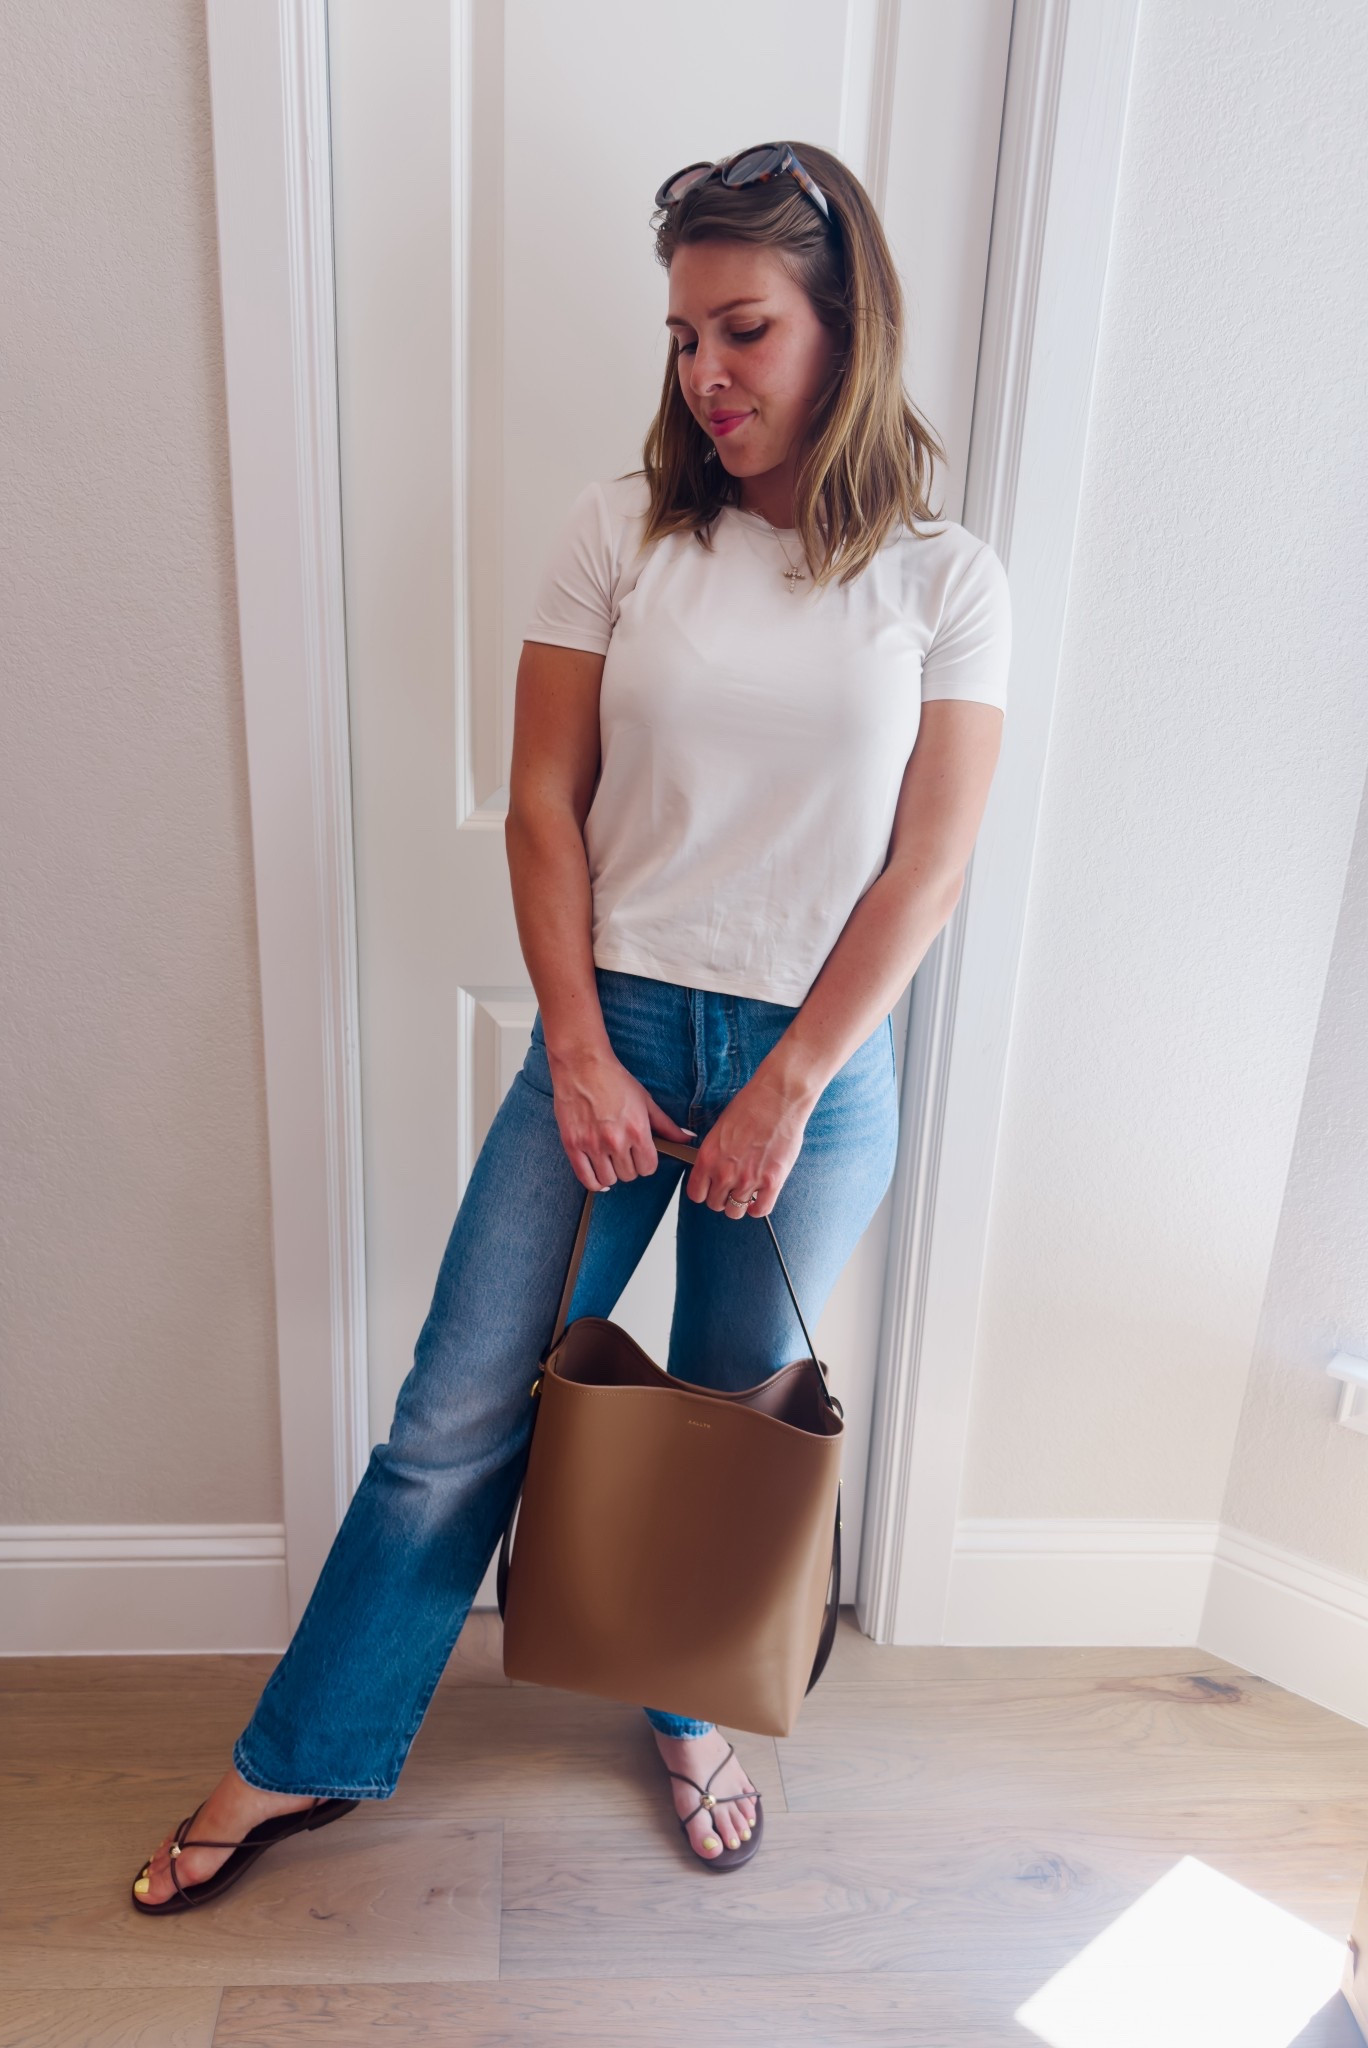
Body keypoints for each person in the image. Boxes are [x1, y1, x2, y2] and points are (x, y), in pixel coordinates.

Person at [131, 137, 1008, 1911]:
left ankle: (687, 1713)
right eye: (684, 333)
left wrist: (789, 1087)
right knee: (456, 1415)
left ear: (848, 324)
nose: (706, 372)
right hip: (610, 1036)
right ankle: (295, 1757)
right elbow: (543, 804)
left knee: (717, 1428)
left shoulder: (945, 578)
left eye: (744, 328)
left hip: (811, 1076)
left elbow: (924, 873)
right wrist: (587, 1051)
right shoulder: (622, 530)